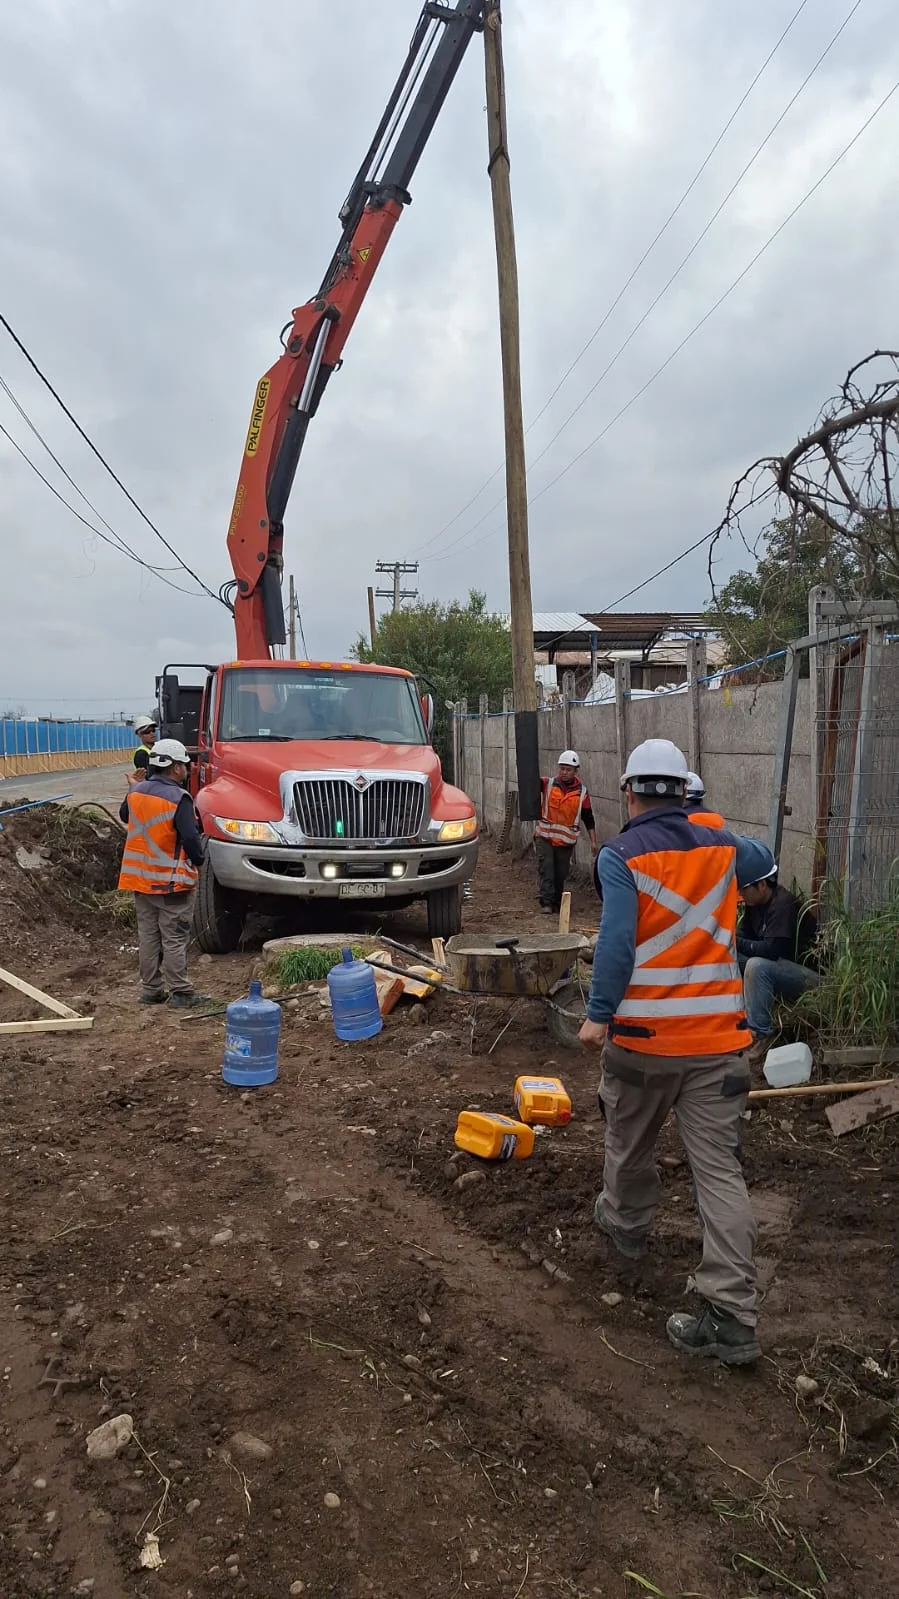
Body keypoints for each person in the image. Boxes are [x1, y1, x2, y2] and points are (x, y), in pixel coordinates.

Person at [578, 738, 776, 1365]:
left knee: (630, 1143)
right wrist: (708, 822)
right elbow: (764, 860)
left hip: (645, 1043)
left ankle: (628, 1226)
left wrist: (596, 1017)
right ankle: (733, 1315)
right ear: (684, 793)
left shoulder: (620, 854)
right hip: (719, 1045)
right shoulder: (718, 846)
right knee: (719, 1173)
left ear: (630, 791)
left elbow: (615, 943)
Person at [118, 738, 210, 1009]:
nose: (188, 768)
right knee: (174, 937)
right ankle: (180, 992)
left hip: (140, 879)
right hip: (171, 883)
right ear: (176, 768)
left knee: (147, 936)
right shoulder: (178, 798)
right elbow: (191, 838)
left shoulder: (136, 792)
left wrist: (135, 788)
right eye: (185, 764)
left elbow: (126, 816)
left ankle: (151, 989)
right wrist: (200, 862)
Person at [738, 862, 820, 1063]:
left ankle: (761, 1034)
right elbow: (745, 934)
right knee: (731, 957)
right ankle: (736, 1022)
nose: (741, 893)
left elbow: (772, 951)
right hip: (781, 969)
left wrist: (735, 941)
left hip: (811, 978)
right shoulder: (755, 905)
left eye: (744, 889)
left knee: (756, 966)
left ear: (762, 885)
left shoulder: (782, 904)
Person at [534, 750, 598, 914]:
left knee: (560, 873)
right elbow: (530, 782)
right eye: (562, 768)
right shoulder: (547, 784)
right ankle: (546, 902)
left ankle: (556, 902)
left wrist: (593, 841)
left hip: (565, 842)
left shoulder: (582, 792)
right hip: (545, 837)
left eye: (568, 769)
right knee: (546, 869)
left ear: (576, 771)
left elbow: (588, 817)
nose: (564, 772)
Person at [127, 715, 158, 790]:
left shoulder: (158, 748)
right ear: (140, 735)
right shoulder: (141, 753)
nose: (152, 733)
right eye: (147, 732)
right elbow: (147, 777)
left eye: (153, 730)